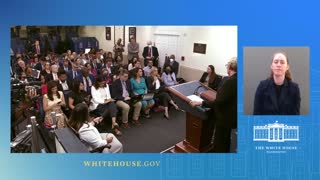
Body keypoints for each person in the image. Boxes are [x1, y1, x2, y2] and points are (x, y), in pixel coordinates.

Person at [190, 57, 237, 152]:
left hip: (224, 117)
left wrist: (201, 102)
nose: (226, 67)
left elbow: (219, 102)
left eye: (227, 65)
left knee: (220, 141)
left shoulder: (231, 81)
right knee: (225, 139)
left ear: (230, 66)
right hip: (230, 116)